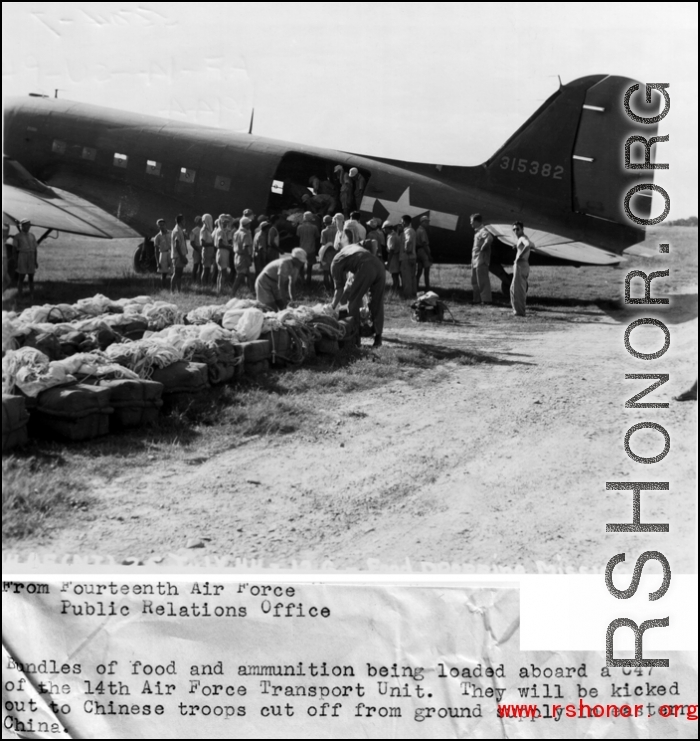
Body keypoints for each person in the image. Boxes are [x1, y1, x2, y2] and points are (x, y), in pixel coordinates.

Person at [330, 243, 386, 348]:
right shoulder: (350, 249)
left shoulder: (335, 262)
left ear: (327, 255)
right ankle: (378, 338)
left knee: (353, 302)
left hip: (366, 266)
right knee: (377, 302)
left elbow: (339, 290)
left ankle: (355, 339)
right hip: (379, 266)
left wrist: (331, 308)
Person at [510, 221, 533, 316]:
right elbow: (533, 244)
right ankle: (517, 310)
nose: (516, 231)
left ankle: (519, 312)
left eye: (517, 229)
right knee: (513, 288)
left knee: (518, 289)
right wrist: (517, 246)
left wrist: (520, 255)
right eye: (514, 229)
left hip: (521, 264)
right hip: (521, 265)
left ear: (522, 229)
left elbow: (528, 245)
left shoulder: (523, 238)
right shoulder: (522, 238)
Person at [470, 213, 493, 305]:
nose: (471, 224)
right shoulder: (477, 232)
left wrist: (483, 247)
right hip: (475, 260)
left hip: (481, 259)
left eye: (471, 222)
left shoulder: (483, 231)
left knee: (482, 280)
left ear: (476, 221)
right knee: (475, 281)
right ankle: (476, 299)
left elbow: (489, 238)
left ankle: (486, 300)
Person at [231, 216, 255, 295]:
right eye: (248, 224)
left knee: (250, 276)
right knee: (240, 276)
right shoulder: (245, 234)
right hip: (243, 257)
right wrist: (248, 258)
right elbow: (245, 247)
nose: (249, 225)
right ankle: (233, 292)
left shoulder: (236, 233)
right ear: (245, 225)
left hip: (237, 256)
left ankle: (252, 292)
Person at [14, 219, 38, 297]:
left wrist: (35, 261)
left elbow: (35, 249)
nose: (28, 227)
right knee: (21, 276)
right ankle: (20, 294)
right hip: (22, 256)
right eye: (26, 225)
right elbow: (14, 249)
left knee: (31, 276)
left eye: (29, 225)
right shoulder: (18, 236)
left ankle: (32, 294)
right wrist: (15, 261)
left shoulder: (32, 235)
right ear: (22, 226)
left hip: (31, 256)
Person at [296, 211, 320, 285]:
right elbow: (317, 236)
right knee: (310, 267)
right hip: (311, 249)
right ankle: (308, 280)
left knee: (301, 267)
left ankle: (302, 280)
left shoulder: (299, 227)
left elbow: (298, 236)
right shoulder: (314, 227)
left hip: (302, 249)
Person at [214, 213, 233, 294]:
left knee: (220, 272)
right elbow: (220, 244)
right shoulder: (220, 231)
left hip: (223, 252)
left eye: (227, 222)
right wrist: (228, 247)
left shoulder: (223, 230)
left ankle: (219, 289)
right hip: (222, 252)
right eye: (224, 222)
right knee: (223, 273)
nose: (226, 223)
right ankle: (221, 290)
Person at [400, 214, 417, 299]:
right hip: (413, 257)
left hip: (407, 257)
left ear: (404, 222)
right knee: (412, 276)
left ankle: (407, 295)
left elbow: (408, 241)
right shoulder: (413, 230)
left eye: (401, 222)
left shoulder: (407, 231)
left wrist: (407, 251)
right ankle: (413, 293)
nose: (401, 223)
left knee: (406, 277)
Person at [170, 214, 189, 292]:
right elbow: (177, 245)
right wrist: (181, 256)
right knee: (176, 273)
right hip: (178, 255)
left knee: (179, 274)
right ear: (181, 221)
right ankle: (172, 291)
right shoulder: (177, 231)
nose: (185, 222)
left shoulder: (180, 230)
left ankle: (178, 290)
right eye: (184, 220)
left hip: (180, 255)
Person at [383, 220, 401, 292]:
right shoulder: (395, 235)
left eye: (384, 228)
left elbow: (391, 250)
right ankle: (397, 286)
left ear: (388, 228)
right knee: (395, 273)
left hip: (393, 257)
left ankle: (395, 287)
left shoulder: (391, 237)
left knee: (394, 274)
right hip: (397, 256)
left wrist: (389, 261)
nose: (384, 230)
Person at [416, 215, 432, 291]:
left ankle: (415, 286)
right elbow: (424, 244)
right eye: (427, 222)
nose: (428, 224)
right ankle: (427, 288)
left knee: (419, 271)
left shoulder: (417, 230)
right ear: (423, 222)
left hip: (418, 252)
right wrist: (429, 255)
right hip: (424, 252)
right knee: (426, 271)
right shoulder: (422, 231)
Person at [154, 218, 171, 286]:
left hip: (171, 252)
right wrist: (158, 262)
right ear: (158, 226)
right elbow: (156, 250)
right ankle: (163, 285)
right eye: (160, 225)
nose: (162, 226)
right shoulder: (157, 237)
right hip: (163, 253)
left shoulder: (171, 233)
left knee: (173, 270)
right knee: (163, 273)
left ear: (165, 225)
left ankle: (172, 285)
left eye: (163, 225)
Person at [200, 214, 215, 287]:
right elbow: (202, 243)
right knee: (205, 269)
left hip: (210, 252)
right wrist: (212, 244)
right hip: (206, 251)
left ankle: (207, 284)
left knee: (208, 269)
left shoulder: (209, 230)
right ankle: (203, 285)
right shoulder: (204, 230)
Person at [189, 215, 202, 284]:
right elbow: (192, 242)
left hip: (203, 249)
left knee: (202, 265)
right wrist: (198, 249)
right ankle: (193, 280)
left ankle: (200, 279)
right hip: (197, 249)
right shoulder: (194, 231)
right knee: (196, 265)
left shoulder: (204, 229)